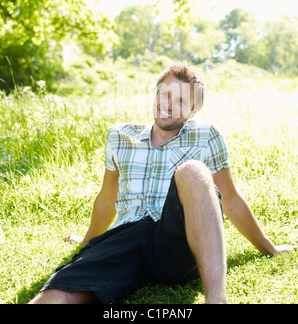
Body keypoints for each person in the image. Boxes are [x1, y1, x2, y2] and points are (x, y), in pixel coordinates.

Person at [29, 62, 296, 304]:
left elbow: (232, 201)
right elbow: (106, 199)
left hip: (177, 242)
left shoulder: (206, 135)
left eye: (181, 101)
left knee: (192, 171)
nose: (169, 104)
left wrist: (269, 248)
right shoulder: (120, 136)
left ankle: (217, 300)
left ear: (194, 110)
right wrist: (88, 241)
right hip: (125, 238)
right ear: (156, 93)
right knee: (54, 296)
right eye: (165, 94)